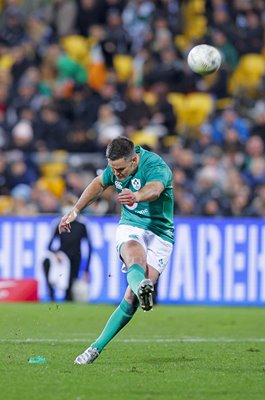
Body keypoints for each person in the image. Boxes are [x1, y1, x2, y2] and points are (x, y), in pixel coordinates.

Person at [59, 136, 174, 364]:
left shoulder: (156, 165)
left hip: (161, 233)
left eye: (121, 169)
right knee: (134, 256)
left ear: (134, 160)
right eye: (113, 169)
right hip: (132, 224)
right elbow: (99, 183)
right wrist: (76, 210)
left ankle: (139, 289)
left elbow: (156, 189)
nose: (117, 174)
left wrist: (137, 196)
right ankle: (93, 350)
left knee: (131, 298)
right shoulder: (115, 168)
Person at [43, 195, 92, 301]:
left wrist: (86, 269)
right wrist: (56, 254)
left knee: (70, 287)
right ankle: (51, 297)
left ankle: (67, 301)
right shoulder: (59, 223)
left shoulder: (81, 224)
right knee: (46, 263)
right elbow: (49, 245)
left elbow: (89, 247)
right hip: (62, 257)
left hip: (75, 258)